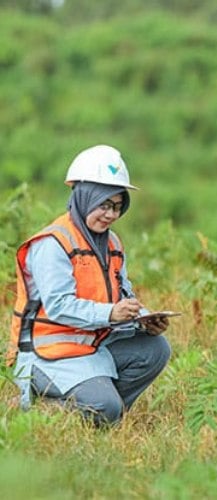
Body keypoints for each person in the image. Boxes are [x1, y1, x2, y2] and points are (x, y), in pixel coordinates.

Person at [7, 144, 171, 426]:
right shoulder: (53, 243)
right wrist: (110, 314)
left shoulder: (113, 243)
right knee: (104, 407)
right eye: (104, 205)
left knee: (156, 348)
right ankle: (55, 409)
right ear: (84, 197)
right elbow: (58, 306)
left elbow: (122, 294)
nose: (110, 214)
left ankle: (103, 412)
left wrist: (142, 318)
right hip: (48, 355)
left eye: (118, 207)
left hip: (90, 346)